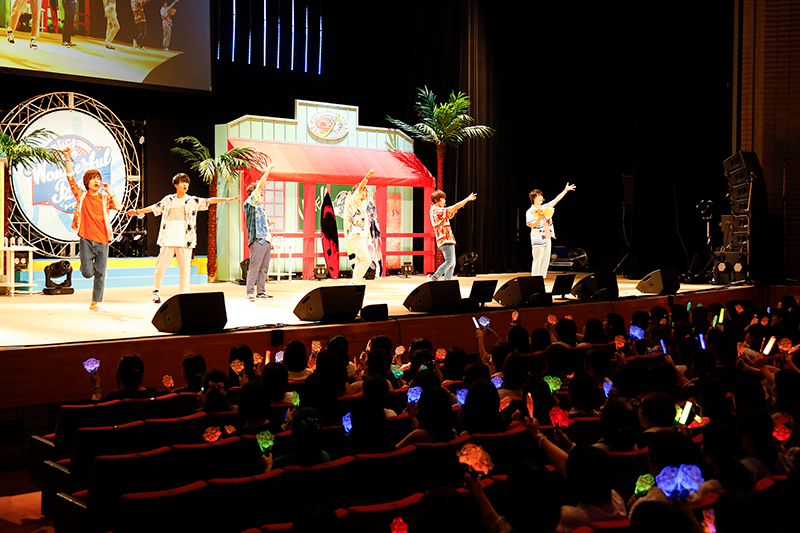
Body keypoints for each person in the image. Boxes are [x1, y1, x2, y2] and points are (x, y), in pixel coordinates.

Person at [127, 173, 239, 303]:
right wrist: (137, 212)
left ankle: (184, 296)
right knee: (160, 267)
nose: (185, 185)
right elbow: (154, 208)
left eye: (186, 182)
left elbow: (209, 200)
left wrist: (228, 199)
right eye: (182, 182)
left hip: (185, 241)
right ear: (176, 185)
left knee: (185, 271)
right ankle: (156, 291)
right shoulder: (168, 200)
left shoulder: (192, 200)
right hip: (168, 239)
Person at [63, 147, 122, 311]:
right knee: (88, 273)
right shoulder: (81, 196)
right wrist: (67, 158)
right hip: (86, 239)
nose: (97, 181)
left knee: (101, 273)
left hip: (103, 239)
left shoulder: (104, 198)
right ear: (87, 182)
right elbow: (70, 179)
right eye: (93, 179)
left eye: (98, 179)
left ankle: (95, 301)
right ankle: (85, 266)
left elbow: (118, 206)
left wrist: (109, 190)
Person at [526, 183, 576, 281]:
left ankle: (542, 280)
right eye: (538, 196)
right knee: (537, 260)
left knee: (545, 260)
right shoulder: (530, 211)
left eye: (541, 196)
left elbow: (555, 200)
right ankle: (535, 281)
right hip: (538, 237)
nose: (541, 198)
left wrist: (565, 190)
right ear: (533, 198)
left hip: (547, 236)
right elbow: (532, 225)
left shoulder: (545, 207)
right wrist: (539, 219)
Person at [243, 162, 275, 301]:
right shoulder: (250, 203)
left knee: (264, 268)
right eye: (260, 192)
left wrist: (269, 223)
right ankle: (250, 292)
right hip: (258, 239)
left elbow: (261, 223)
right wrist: (267, 171)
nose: (261, 193)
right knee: (255, 267)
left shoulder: (260, 207)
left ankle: (261, 291)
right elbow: (259, 187)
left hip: (266, 239)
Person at [428, 190, 476, 281]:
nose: (444, 201)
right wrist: (467, 199)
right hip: (444, 239)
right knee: (449, 262)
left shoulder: (436, 210)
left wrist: (453, 211)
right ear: (437, 200)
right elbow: (451, 209)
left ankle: (447, 282)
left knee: (452, 263)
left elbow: (449, 215)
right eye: (443, 199)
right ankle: (433, 278)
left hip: (447, 239)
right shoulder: (436, 210)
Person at [344, 168, 376, 285]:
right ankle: (354, 282)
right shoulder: (354, 199)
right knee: (367, 260)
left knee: (359, 261)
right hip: (356, 236)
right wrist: (367, 176)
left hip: (360, 237)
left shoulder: (360, 206)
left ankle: (353, 285)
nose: (366, 193)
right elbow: (360, 187)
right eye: (364, 191)